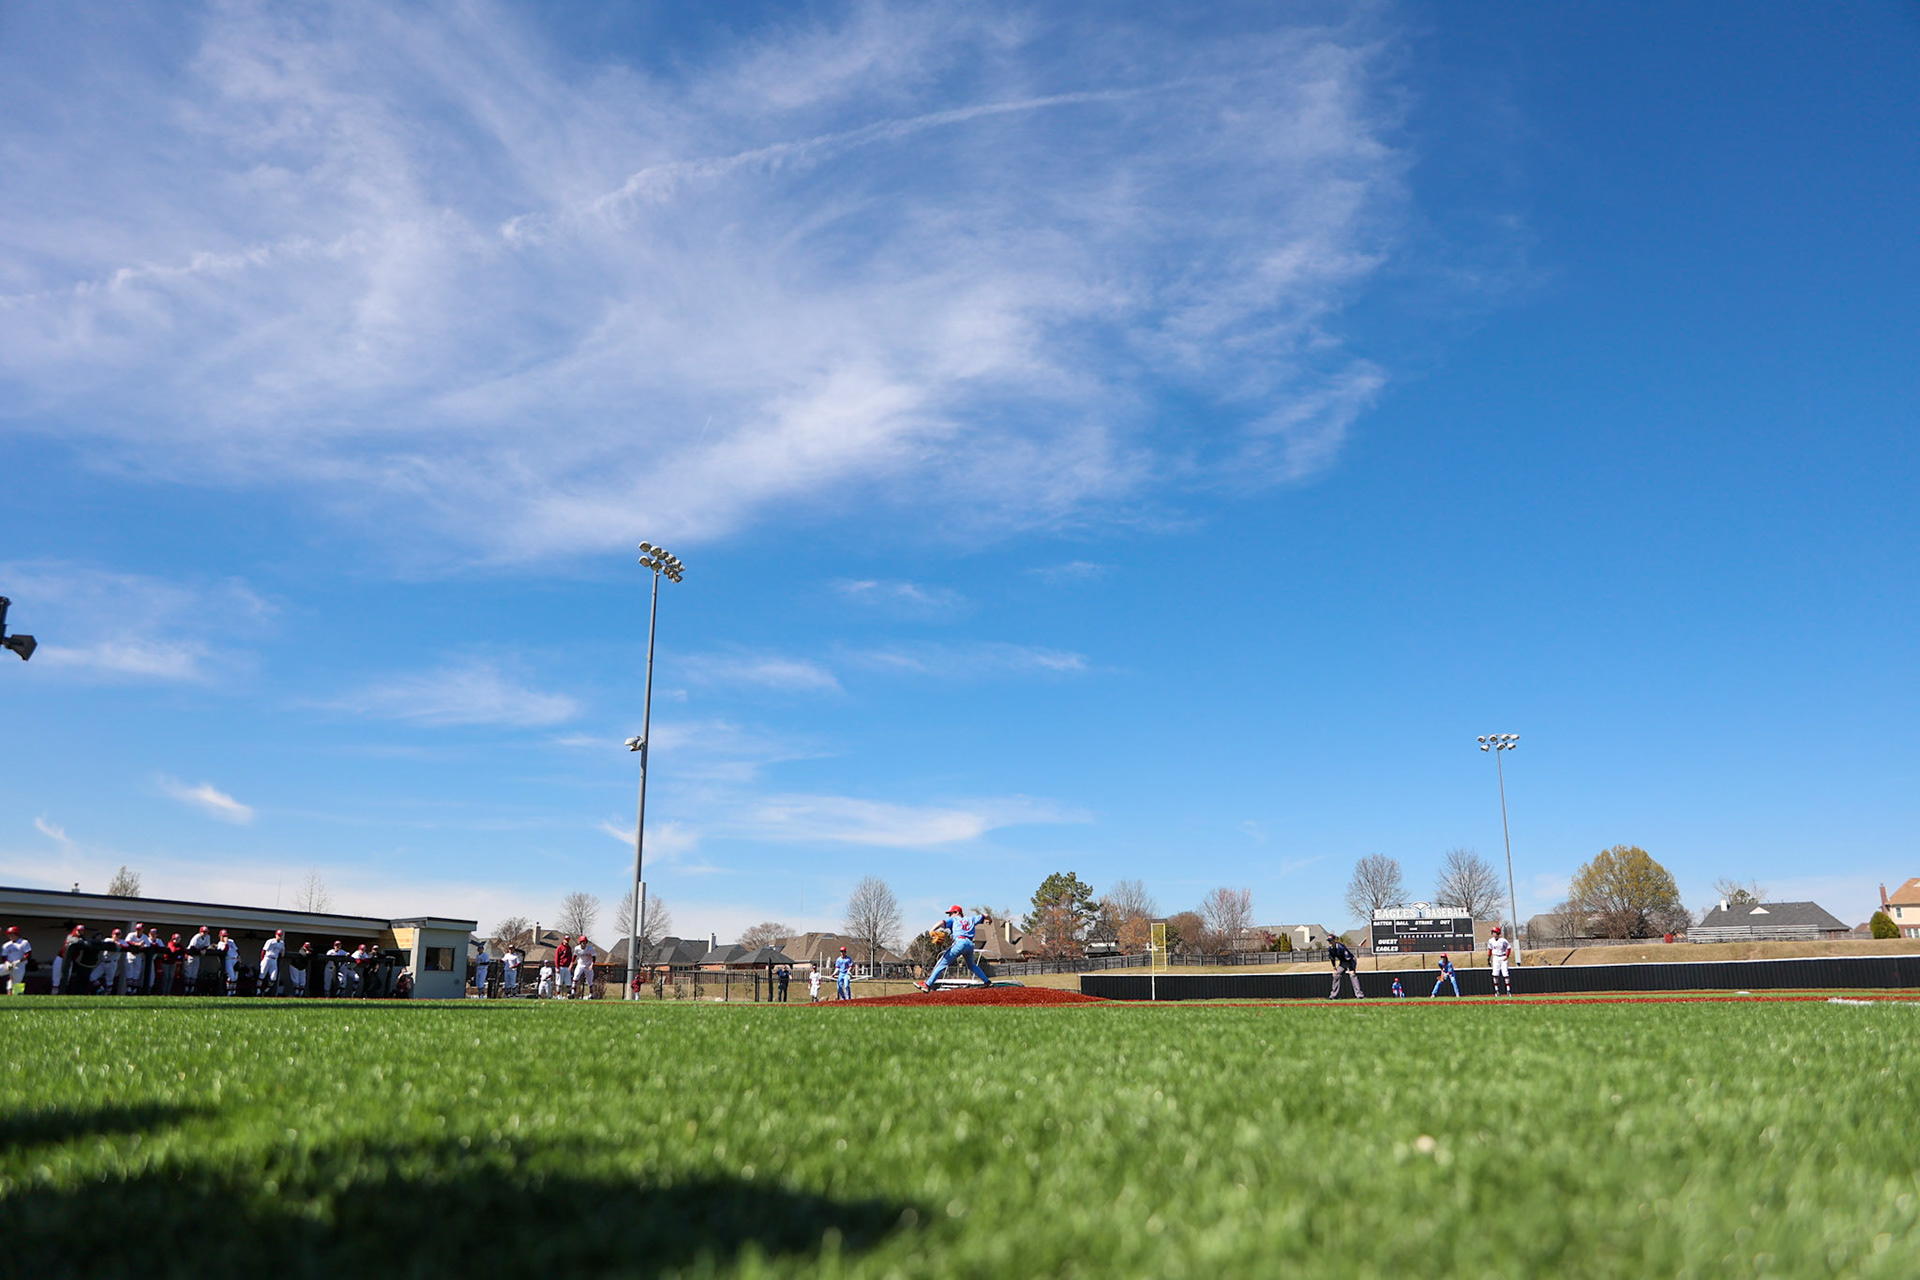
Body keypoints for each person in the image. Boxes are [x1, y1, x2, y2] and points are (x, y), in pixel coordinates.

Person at [918, 906, 994, 991]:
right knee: (972, 965)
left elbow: (941, 922)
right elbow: (985, 915)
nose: (950, 915)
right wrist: (989, 920)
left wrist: (932, 930)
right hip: (970, 944)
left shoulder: (954, 919)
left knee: (941, 963)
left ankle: (927, 984)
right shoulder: (971, 919)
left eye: (951, 913)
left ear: (957, 912)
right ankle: (987, 982)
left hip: (960, 942)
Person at [1327, 934, 1363, 1000]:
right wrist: (1334, 968)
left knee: (1352, 975)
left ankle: (1359, 995)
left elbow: (1348, 958)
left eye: (1331, 941)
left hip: (1351, 961)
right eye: (1329, 941)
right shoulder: (1330, 949)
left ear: (1334, 940)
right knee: (1336, 975)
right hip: (1343, 962)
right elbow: (1332, 958)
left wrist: (1351, 969)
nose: (1330, 942)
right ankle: (1333, 995)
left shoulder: (1340, 947)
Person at [1487, 925, 1515, 997]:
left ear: (1498, 933)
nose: (1494, 934)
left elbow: (1509, 948)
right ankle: (1496, 991)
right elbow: (1490, 950)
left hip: (1503, 957)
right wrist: (1489, 958)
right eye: (1493, 932)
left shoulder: (1503, 940)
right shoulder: (1491, 941)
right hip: (1496, 957)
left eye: (1495, 932)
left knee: (1505, 974)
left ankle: (1508, 990)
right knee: (1495, 974)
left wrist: (1507, 956)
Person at [1, 926, 30, 995]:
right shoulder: (6, 944)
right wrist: (7, 963)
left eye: (12, 934)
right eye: (9, 934)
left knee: (17, 980)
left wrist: (19, 961)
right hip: (9, 964)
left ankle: (16, 995)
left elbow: (28, 954)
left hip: (19, 965)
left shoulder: (24, 942)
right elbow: (4, 956)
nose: (10, 936)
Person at [186, 926, 212, 995]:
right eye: (203, 932)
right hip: (190, 955)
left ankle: (192, 990)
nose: (205, 933)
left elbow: (206, 946)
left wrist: (204, 950)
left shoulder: (207, 937)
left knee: (194, 972)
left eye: (206, 932)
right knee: (189, 972)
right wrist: (200, 951)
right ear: (200, 932)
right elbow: (192, 947)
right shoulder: (196, 937)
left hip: (197, 956)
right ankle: (186, 989)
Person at [259, 930, 286, 996]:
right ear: (276, 935)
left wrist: (283, 952)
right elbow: (264, 950)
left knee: (273, 977)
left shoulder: (282, 943)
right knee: (262, 975)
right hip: (267, 958)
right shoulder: (270, 941)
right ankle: (258, 991)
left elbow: (282, 952)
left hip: (274, 959)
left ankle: (266, 991)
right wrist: (262, 959)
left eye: (280, 935)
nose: (279, 937)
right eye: (278, 935)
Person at [216, 929, 240, 995]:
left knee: (235, 977)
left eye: (226, 936)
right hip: (228, 960)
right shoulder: (220, 944)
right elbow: (225, 950)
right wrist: (226, 942)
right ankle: (229, 992)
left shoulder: (231, 941)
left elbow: (236, 950)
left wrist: (239, 958)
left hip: (235, 959)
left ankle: (233, 992)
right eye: (223, 936)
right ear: (220, 936)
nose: (225, 937)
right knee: (231, 976)